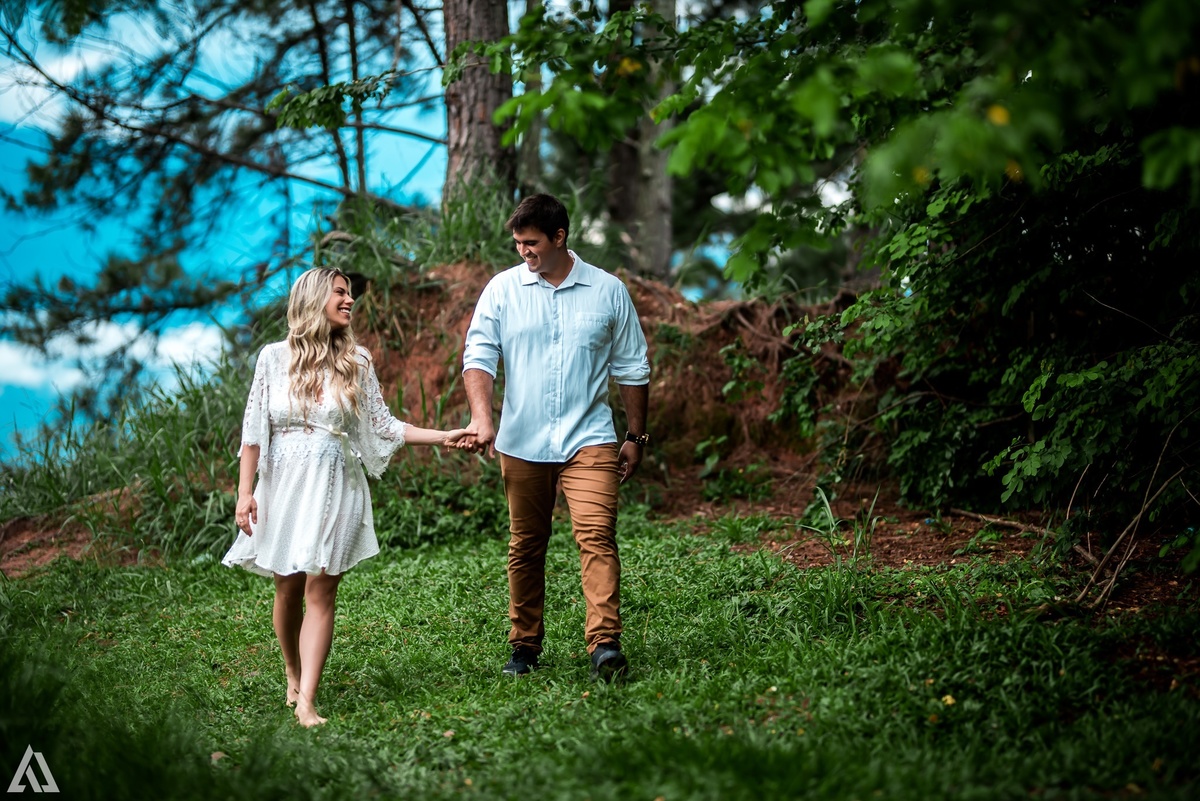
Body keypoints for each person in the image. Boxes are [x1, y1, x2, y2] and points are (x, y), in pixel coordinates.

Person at [223, 267, 466, 727]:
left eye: (350, 294)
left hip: (336, 480)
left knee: (322, 588)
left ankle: (308, 700)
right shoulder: (272, 358)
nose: (349, 300)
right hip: (282, 482)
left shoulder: (357, 361)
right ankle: (292, 671)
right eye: (340, 292)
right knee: (288, 584)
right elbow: (254, 432)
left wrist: (443, 436)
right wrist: (244, 493)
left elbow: (384, 426)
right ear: (315, 299)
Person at [461, 193, 651, 682]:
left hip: (589, 437)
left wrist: (636, 435)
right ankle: (524, 646)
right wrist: (484, 418)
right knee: (526, 545)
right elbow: (479, 356)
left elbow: (632, 366)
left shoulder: (608, 291)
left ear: (560, 237)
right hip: (521, 441)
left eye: (532, 243)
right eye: (518, 243)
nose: (523, 251)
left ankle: (604, 645)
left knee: (597, 537)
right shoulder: (502, 290)